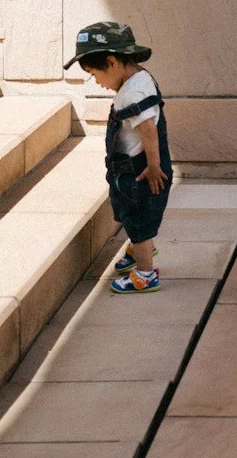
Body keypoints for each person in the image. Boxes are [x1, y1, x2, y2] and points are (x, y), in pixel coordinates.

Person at [67, 21, 170, 294]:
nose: (97, 82)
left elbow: (148, 130)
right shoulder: (139, 79)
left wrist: (153, 166)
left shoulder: (133, 93)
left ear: (111, 62)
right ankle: (140, 249)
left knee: (138, 218)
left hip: (140, 169)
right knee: (130, 212)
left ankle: (146, 273)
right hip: (131, 167)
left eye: (94, 74)